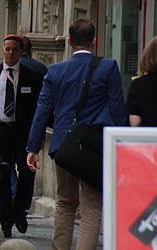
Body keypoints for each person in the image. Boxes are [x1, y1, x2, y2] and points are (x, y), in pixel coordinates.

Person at [26, 19, 127, 250]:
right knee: (91, 207)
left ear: (69, 41)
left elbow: (42, 111)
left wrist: (33, 148)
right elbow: (117, 110)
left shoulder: (54, 71)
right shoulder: (108, 67)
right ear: (94, 39)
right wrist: (122, 145)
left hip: (64, 146)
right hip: (94, 147)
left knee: (65, 202)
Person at [0, 34, 43, 238]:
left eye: (14, 50)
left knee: (26, 173)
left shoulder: (30, 75)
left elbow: (37, 108)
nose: (10, 53)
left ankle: (20, 210)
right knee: (3, 177)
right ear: (3, 50)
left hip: (22, 133)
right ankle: (6, 221)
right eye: (7, 49)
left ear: (21, 52)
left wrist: (37, 136)